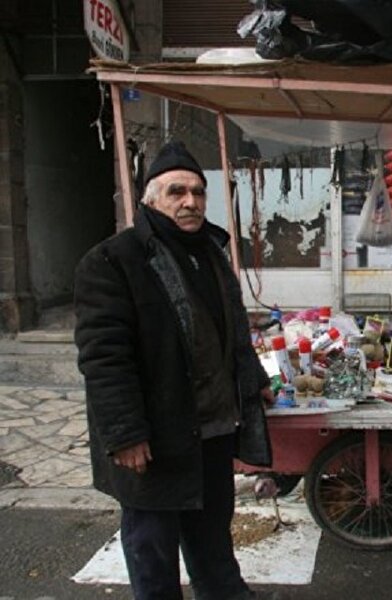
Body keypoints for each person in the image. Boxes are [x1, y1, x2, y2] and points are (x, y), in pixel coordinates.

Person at [74, 140, 275, 600]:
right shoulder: (113, 261)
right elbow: (104, 356)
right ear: (150, 199)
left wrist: (255, 380)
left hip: (210, 429)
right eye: (177, 192)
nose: (190, 202)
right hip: (155, 437)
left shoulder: (210, 252)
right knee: (153, 550)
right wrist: (125, 432)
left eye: (198, 192)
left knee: (212, 541)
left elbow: (230, 332)